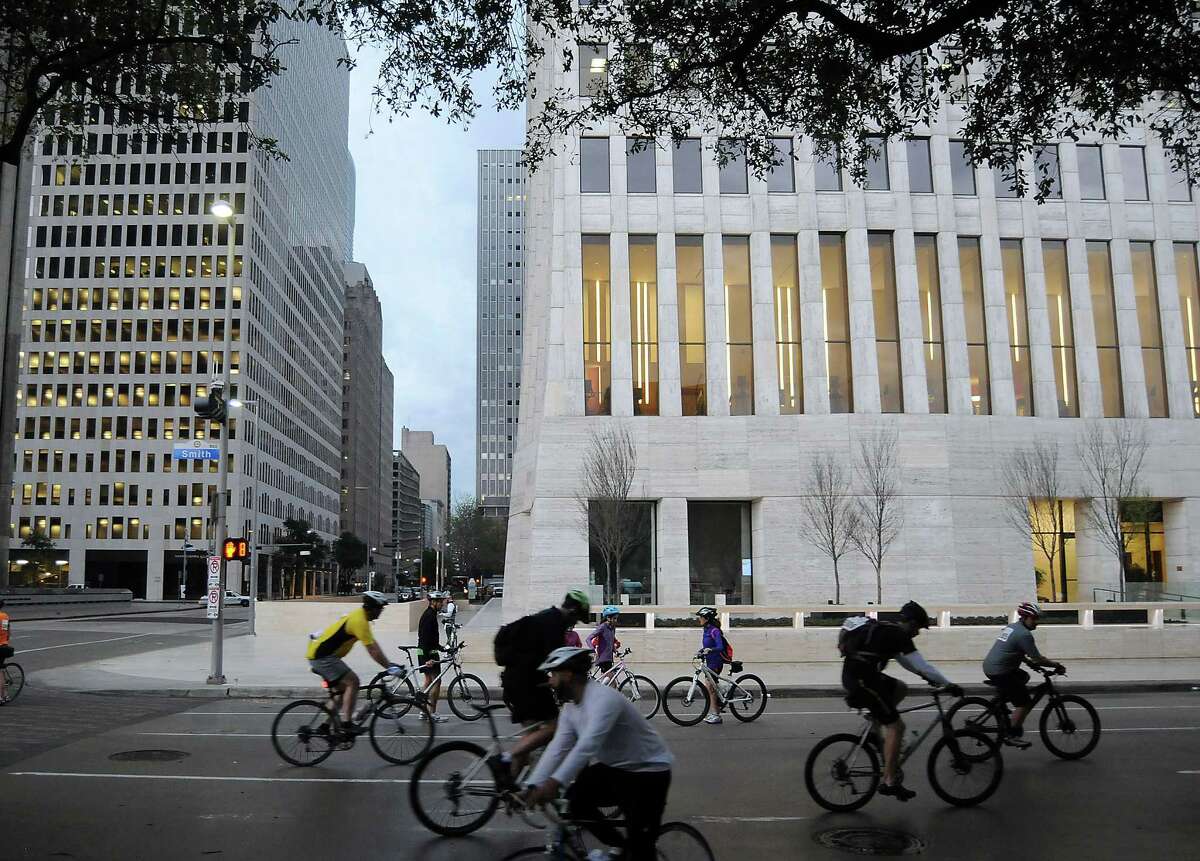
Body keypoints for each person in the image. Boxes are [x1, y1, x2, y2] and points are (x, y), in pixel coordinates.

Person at [523, 647, 673, 861]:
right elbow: (558, 748)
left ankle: (634, 850)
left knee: (641, 847)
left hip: (648, 773)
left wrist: (552, 784)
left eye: (553, 674)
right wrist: (532, 785)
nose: (550, 682)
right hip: (615, 768)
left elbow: (587, 746)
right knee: (576, 802)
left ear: (568, 675)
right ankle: (619, 846)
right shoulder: (571, 708)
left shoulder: (604, 699)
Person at [840, 600, 962, 801]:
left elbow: (909, 663)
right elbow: (921, 664)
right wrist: (949, 685)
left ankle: (877, 726)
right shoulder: (899, 635)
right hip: (863, 682)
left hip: (860, 677)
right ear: (912, 624)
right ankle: (889, 781)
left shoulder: (890, 633)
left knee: (900, 688)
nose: (918, 633)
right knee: (897, 727)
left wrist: (928, 678)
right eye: (919, 628)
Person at [491, 589, 592, 786]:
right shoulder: (554, 625)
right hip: (525, 684)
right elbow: (558, 665)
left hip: (518, 681)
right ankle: (504, 759)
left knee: (530, 738)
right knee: (553, 728)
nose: (575, 623)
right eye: (577, 618)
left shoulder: (548, 618)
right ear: (572, 610)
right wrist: (570, 692)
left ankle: (509, 790)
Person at [305, 591, 403, 735]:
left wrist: (390, 664)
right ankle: (347, 724)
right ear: (372, 608)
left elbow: (373, 644)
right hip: (323, 657)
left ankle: (324, 728)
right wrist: (389, 667)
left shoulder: (361, 617)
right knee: (353, 682)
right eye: (380, 608)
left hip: (323, 656)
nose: (381, 611)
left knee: (341, 693)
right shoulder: (359, 621)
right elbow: (372, 650)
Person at [982, 602, 1065, 748]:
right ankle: (1011, 735)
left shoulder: (1013, 627)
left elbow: (1014, 650)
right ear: (1025, 617)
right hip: (1000, 671)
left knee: (1023, 677)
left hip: (992, 666)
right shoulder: (1024, 635)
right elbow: (1038, 659)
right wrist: (1056, 665)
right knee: (1024, 702)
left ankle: (1002, 701)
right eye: (1034, 619)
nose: (1036, 622)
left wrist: (1029, 663)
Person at [417, 590, 450, 723]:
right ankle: (433, 713)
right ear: (433, 602)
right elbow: (425, 638)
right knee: (437, 681)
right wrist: (427, 659)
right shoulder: (429, 616)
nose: (442, 604)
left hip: (426, 651)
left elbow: (431, 639)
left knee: (428, 681)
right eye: (440, 602)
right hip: (429, 653)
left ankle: (423, 711)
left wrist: (442, 648)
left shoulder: (429, 614)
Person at [695, 607, 727, 725]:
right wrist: (701, 651)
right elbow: (706, 646)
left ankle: (716, 715)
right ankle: (720, 701)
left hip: (716, 662)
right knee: (710, 686)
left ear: (707, 618)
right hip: (709, 662)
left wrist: (710, 650)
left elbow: (720, 647)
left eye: (701, 617)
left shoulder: (714, 631)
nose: (699, 619)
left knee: (709, 686)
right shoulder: (706, 630)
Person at [588, 606, 622, 676]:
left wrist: (616, 651)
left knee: (611, 683)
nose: (616, 620)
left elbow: (611, 642)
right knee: (611, 680)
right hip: (602, 658)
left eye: (616, 618)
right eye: (614, 618)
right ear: (608, 618)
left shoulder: (612, 628)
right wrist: (593, 650)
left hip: (609, 658)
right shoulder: (602, 627)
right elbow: (588, 639)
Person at [0, 600, 12, 704]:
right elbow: (6, 631)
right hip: (4, 645)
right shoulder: (4, 616)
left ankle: (0, 697)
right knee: (1, 670)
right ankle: (6, 695)